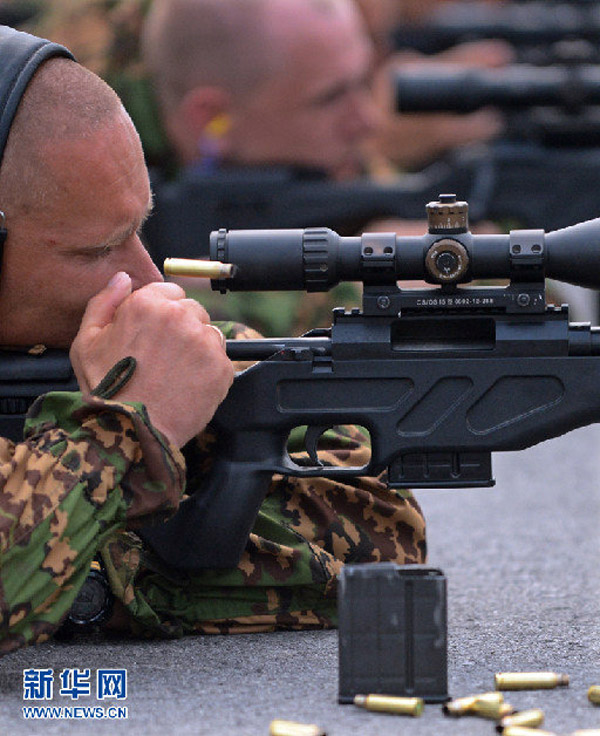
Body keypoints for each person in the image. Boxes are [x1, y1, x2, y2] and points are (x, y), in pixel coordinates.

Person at [0, 26, 426, 654]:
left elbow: (381, 543)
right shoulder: (126, 387)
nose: (145, 277)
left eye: (138, 229)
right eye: (95, 249)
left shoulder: (128, 347)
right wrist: (125, 429)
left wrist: (80, 558)